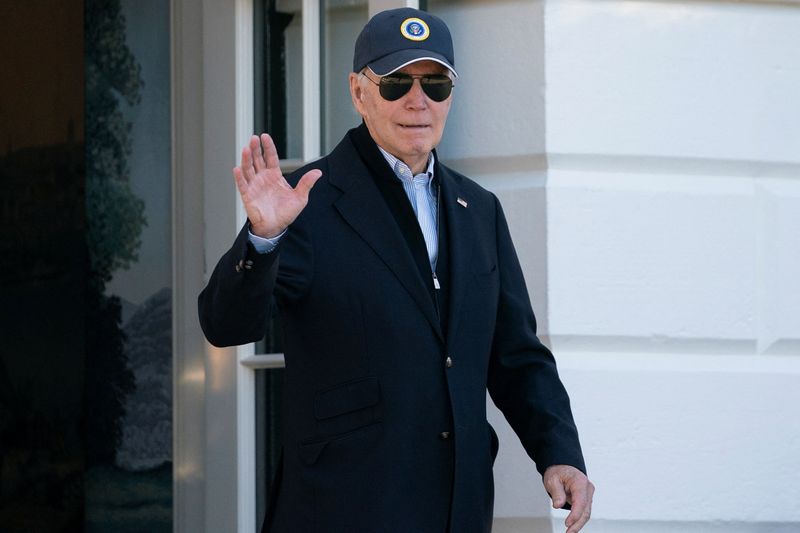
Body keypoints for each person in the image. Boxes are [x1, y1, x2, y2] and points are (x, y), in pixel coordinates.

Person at [199, 7, 594, 533]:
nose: (418, 100)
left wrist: (559, 453)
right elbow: (226, 325)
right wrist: (264, 238)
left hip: (458, 508)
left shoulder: (479, 210)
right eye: (395, 84)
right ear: (359, 93)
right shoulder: (305, 200)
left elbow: (516, 355)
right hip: (343, 509)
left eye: (435, 83)